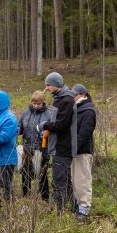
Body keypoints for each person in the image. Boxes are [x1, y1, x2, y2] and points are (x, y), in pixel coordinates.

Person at [40, 72, 77, 213]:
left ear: (56, 84)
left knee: (59, 181)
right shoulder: (59, 99)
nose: (47, 88)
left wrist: (44, 125)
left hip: (63, 147)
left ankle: (58, 211)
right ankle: (70, 208)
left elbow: (61, 125)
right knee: (65, 180)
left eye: (48, 85)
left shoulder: (67, 100)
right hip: (58, 146)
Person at [18, 90, 56, 201]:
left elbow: (52, 130)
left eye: (38, 104)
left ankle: (45, 199)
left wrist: (46, 133)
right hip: (27, 148)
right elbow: (20, 127)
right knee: (25, 174)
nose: (35, 106)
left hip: (42, 148)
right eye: (34, 104)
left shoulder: (48, 114)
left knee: (42, 175)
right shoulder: (25, 113)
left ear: (43, 102)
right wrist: (17, 130)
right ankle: (26, 197)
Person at [71, 84, 97, 220]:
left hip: (83, 151)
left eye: (74, 95)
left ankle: (84, 209)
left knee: (83, 181)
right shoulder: (76, 109)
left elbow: (84, 134)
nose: (72, 98)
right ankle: (77, 205)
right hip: (74, 151)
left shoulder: (88, 111)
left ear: (82, 94)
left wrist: (74, 148)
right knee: (75, 181)